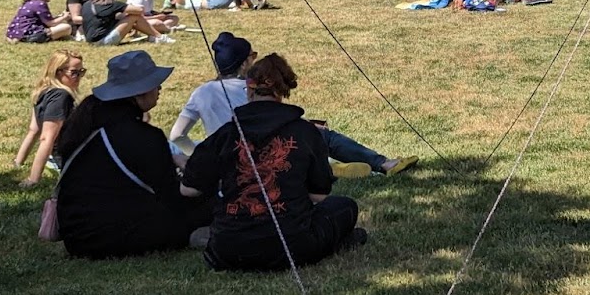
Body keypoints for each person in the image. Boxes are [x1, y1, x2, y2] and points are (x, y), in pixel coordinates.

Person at [180, 52, 367, 271]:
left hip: (227, 250)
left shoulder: (226, 133)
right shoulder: (305, 132)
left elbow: (188, 189)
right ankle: (335, 242)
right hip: (290, 247)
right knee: (344, 207)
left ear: (249, 90)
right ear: (282, 92)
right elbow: (319, 195)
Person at [168, 32, 417, 178]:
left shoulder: (200, 93)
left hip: (233, 163)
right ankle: (380, 164)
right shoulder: (254, 88)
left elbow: (177, 135)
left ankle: (333, 167)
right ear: (244, 64)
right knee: (318, 134)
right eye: (252, 57)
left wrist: (204, 150)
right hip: (274, 154)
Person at [51, 50, 211, 259]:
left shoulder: (88, 124)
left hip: (76, 234)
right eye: (155, 84)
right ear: (138, 92)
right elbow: (171, 195)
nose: (159, 89)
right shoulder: (143, 136)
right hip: (115, 234)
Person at [13, 50, 86, 186]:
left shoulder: (43, 91)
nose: (79, 76)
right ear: (58, 72)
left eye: (81, 72)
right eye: (74, 72)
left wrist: (18, 162)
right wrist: (33, 180)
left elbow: (33, 130)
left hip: (56, 156)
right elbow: (47, 138)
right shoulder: (61, 97)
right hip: (67, 157)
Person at [81, 0, 173, 47]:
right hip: (103, 41)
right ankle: (158, 36)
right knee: (133, 16)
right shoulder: (113, 4)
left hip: (90, 41)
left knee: (124, 17)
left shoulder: (87, 4)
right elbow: (139, 10)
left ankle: (153, 35)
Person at [7, 0, 75, 43]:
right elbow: (51, 23)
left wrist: (60, 16)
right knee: (67, 27)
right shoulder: (40, 4)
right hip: (31, 34)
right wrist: (64, 17)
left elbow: (45, 20)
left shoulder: (29, 3)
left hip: (16, 32)